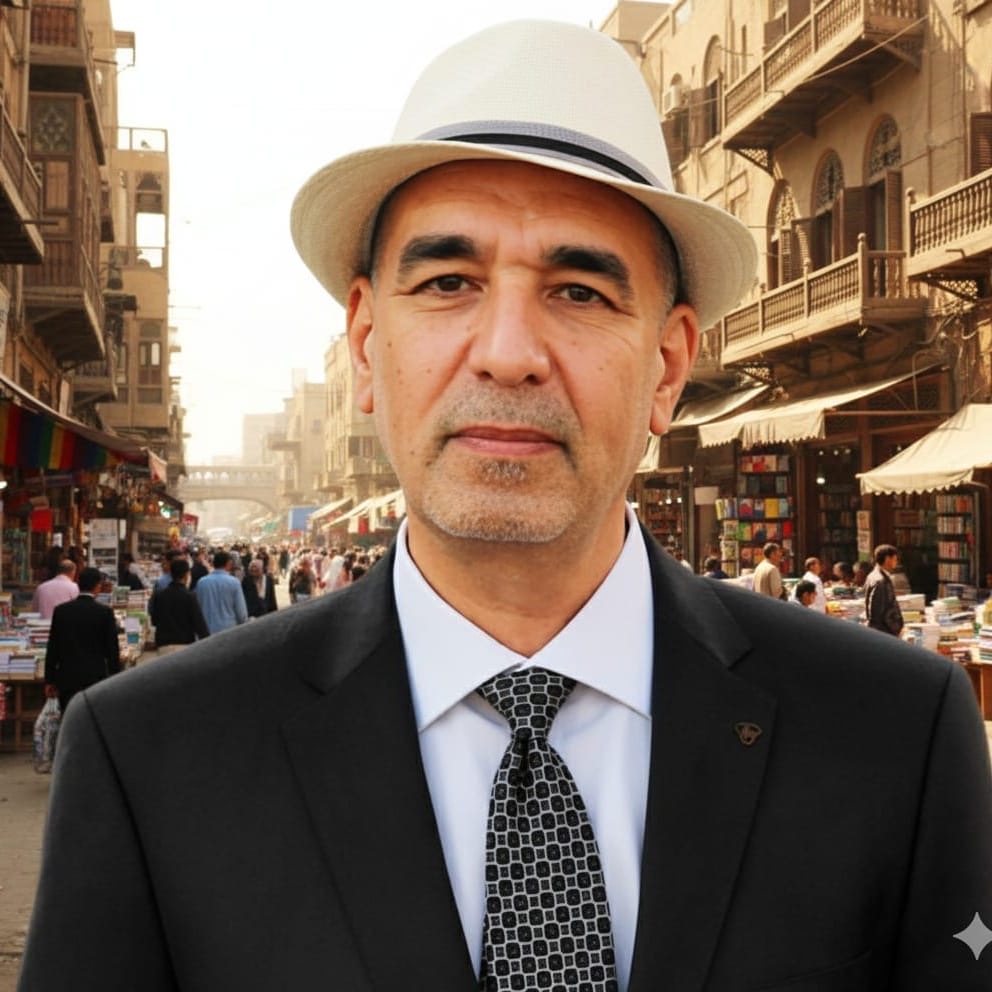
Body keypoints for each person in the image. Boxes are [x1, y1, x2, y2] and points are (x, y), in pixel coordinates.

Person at [19, 21, 991, 992]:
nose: (508, 352)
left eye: (579, 291)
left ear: (666, 365)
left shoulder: (892, 733)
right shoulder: (153, 758)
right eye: (449, 283)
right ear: (366, 346)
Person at [43, 566, 121, 715]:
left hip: (67, 677)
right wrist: (115, 677)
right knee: (94, 717)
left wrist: (49, 679)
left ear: (78, 584)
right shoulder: (104, 612)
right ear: (97, 586)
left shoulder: (61, 611)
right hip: (95, 676)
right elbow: (112, 649)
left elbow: (53, 647)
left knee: (69, 717)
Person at [148, 558, 210, 656]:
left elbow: (154, 620)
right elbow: (199, 624)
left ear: (171, 573)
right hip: (185, 646)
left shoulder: (160, 595)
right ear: (186, 575)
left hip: (164, 646)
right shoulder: (190, 596)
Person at [193, 550, 248, 634]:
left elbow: (198, 608)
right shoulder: (234, 582)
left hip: (207, 630)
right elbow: (241, 614)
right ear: (229, 563)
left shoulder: (201, 582)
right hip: (229, 630)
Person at [864, 543, 905, 637]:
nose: (897, 562)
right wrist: (895, 628)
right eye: (895, 559)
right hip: (884, 631)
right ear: (887, 559)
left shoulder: (873, 575)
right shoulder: (880, 581)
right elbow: (877, 612)